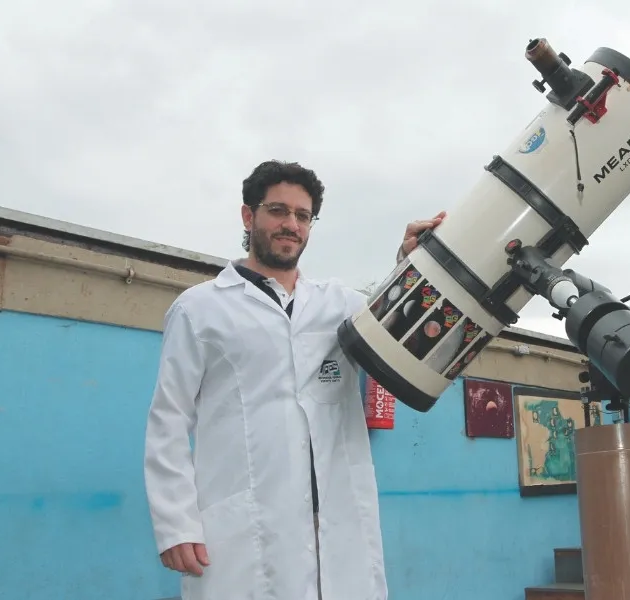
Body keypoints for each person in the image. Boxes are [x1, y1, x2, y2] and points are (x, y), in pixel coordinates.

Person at [143, 159, 445, 600]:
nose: (291, 224)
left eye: (302, 216)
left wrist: (410, 262)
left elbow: (395, 321)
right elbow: (168, 420)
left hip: (338, 529)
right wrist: (175, 523)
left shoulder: (340, 305)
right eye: (278, 211)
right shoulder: (199, 309)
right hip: (248, 531)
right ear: (249, 216)